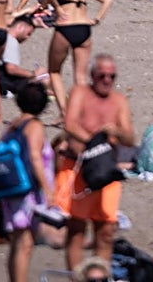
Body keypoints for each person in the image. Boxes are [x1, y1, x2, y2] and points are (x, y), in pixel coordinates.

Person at [55, 54, 135, 272]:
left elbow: (130, 139)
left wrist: (115, 132)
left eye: (112, 76)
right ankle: (76, 277)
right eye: (102, 76)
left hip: (105, 171)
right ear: (93, 75)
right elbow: (70, 124)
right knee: (77, 228)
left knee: (106, 231)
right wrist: (94, 143)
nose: (107, 80)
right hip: (78, 167)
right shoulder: (80, 93)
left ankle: (99, 277)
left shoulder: (119, 101)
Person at [1, 82, 57, 282]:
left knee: (16, 242)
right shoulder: (33, 126)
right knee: (25, 244)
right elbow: (35, 158)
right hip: (27, 190)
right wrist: (48, 191)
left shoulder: (13, 125)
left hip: (10, 187)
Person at [45, 0, 112, 114]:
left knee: (54, 71)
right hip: (84, 27)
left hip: (66, 26)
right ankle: (82, 113)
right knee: (80, 77)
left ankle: (64, 112)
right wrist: (96, 19)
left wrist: (58, 8)